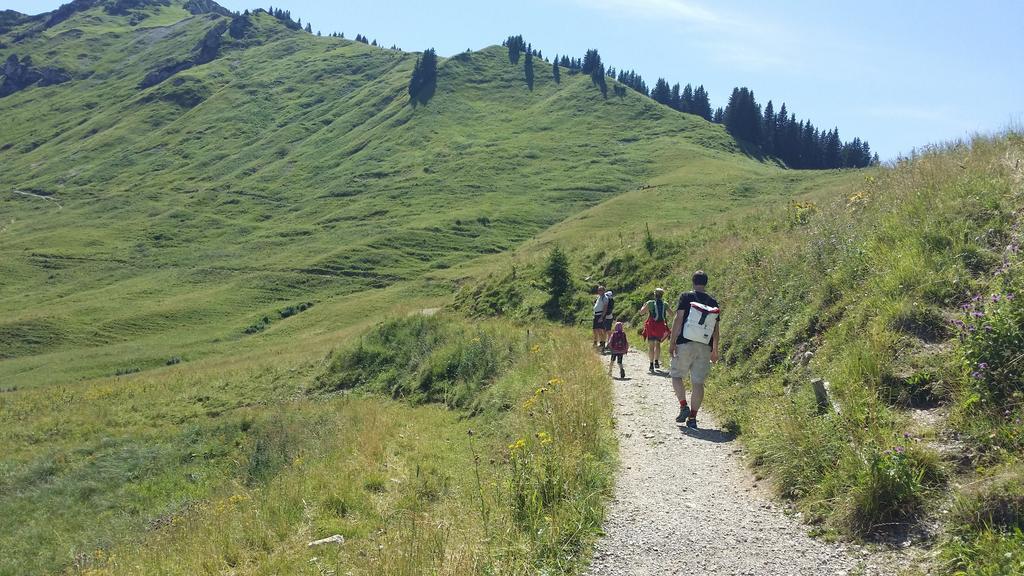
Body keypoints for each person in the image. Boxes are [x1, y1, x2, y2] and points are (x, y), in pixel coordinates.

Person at [668, 271, 721, 429]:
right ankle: (693, 418)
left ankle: (683, 405)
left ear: (693, 281)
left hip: (685, 343)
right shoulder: (713, 302)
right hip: (705, 346)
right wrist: (715, 350)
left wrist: (672, 342)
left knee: (676, 375)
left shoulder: (686, 297)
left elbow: (678, 319)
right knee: (698, 383)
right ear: (706, 282)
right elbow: (716, 329)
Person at [640, 288, 671, 373]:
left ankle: (651, 364)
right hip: (660, 326)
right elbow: (672, 314)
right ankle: (657, 361)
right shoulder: (665, 304)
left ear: (654, 294)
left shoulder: (650, 303)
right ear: (662, 295)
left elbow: (641, 312)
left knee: (651, 346)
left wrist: (643, 306)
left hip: (651, 326)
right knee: (658, 344)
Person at [592, 286, 609, 350]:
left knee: (600, 330)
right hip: (596, 315)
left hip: (600, 315)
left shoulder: (605, 298)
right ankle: (596, 342)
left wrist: (602, 317)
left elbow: (605, 308)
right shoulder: (599, 297)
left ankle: (602, 343)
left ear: (604, 291)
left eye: (601, 290)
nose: (599, 291)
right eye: (598, 290)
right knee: (595, 329)